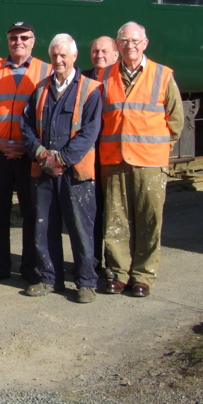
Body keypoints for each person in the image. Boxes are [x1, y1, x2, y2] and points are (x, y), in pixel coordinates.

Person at [100, 21, 184, 297]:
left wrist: (160, 149)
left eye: (135, 41)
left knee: (149, 219)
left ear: (145, 44)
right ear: (117, 44)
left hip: (149, 162)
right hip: (113, 160)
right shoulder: (105, 76)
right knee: (116, 219)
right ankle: (118, 273)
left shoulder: (162, 75)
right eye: (124, 41)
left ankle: (144, 276)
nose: (130, 46)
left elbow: (176, 120)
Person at [20, 34, 102, 303]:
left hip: (75, 173)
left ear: (74, 57)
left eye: (64, 56)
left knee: (80, 229)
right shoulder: (41, 88)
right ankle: (48, 278)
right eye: (55, 56)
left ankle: (86, 283)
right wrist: (42, 154)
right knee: (44, 226)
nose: (58, 61)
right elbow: (27, 127)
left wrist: (62, 159)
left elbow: (89, 132)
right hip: (44, 170)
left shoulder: (90, 90)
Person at [0, 21, 51, 285]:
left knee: (32, 212)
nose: (18, 42)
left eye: (24, 37)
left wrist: (29, 145)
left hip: (30, 153)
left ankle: (31, 269)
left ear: (33, 40)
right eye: (13, 37)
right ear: (7, 41)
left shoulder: (46, 70)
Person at [81, 36, 119, 274]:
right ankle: (91, 264)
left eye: (104, 51)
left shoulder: (119, 79)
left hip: (114, 156)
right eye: (95, 51)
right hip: (89, 157)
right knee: (91, 214)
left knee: (114, 215)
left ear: (116, 54)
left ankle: (114, 266)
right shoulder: (84, 78)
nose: (99, 55)